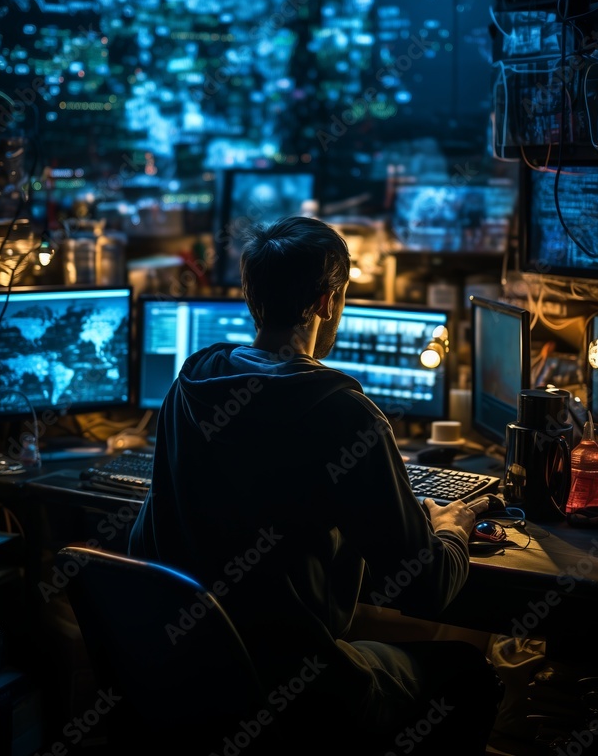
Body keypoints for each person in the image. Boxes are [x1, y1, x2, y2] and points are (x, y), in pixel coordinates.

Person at [128, 216, 503, 753]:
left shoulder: (193, 380)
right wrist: (451, 529)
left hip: (187, 673)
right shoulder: (345, 415)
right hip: (296, 688)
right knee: (469, 671)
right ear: (328, 302)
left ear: (250, 294)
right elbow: (426, 587)